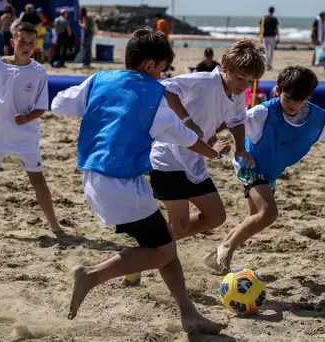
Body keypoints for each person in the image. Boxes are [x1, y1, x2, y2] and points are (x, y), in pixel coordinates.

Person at [50, 27, 226, 335]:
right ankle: (90, 275)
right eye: (161, 69)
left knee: (164, 245)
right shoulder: (153, 96)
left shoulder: (99, 80)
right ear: (149, 66)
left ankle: (188, 314)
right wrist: (213, 154)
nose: (161, 75)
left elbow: (59, 104)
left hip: (92, 177)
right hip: (121, 183)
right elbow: (186, 138)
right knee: (165, 250)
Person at [203, 66, 325, 273]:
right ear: (278, 90)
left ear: (308, 96)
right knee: (268, 213)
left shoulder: (317, 118)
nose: (293, 104)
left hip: (270, 172)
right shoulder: (263, 113)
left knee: (256, 216)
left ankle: (216, 254)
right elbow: (232, 121)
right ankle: (226, 248)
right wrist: (214, 140)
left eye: (300, 99)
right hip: (250, 164)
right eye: (288, 97)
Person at [129, 39, 265, 286]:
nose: (244, 86)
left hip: (194, 162)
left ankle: (148, 247)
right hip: (168, 159)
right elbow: (166, 89)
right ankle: (140, 258)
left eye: (250, 82)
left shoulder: (236, 95)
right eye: (240, 78)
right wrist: (187, 119)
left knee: (215, 216)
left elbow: (236, 121)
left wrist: (240, 148)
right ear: (225, 66)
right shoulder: (203, 81)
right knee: (179, 228)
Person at [0, 22, 66, 237]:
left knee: (38, 180)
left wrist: (27, 118)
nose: (27, 46)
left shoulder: (38, 71)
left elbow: (41, 108)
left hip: (25, 136)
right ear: (12, 42)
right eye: (22, 42)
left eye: (31, 43)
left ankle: (55, 225)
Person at [260, 6, 279, 71]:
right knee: (270, 52)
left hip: (265, 37)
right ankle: (269, 65)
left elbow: (261, 28)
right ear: (273, 11)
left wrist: (260, 36)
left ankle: (267, 65)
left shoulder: (264, 18)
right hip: (272, 37)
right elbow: (276, 29)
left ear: (268, 11)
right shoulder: (274, 19)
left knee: (266, 51)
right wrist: (278, 37)